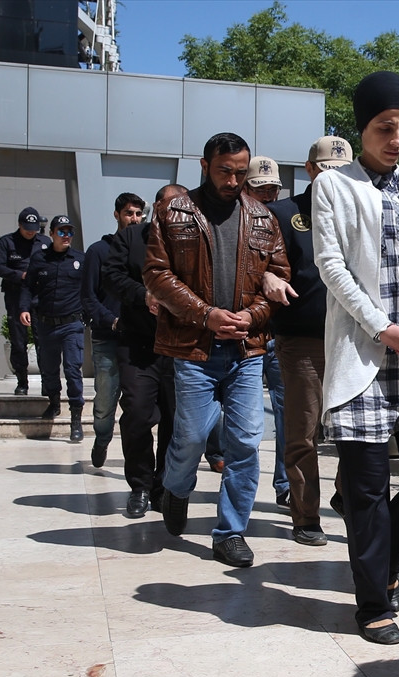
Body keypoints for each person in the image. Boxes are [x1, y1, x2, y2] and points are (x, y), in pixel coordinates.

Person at [312, 71, 399, 646]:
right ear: (361, 129)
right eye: (384, 128)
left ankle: (385, 557)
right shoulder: (334, 185)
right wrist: (382, 328)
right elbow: (331, 265)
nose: (396, 140)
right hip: (362, 354)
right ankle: (373, 602)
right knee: (366, 489)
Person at [144, 133, 290, 568]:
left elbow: (279, 276)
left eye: (240, 173)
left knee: (245, 441)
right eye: (225, 171)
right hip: (194, 347)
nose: (232, 180)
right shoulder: (174, 211)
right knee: (190, 437)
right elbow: (156, 274)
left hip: (246, 350)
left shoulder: (263, 217)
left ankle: (230, 532)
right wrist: (205, 315)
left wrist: (252, 316)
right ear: (204, 166)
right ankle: (176, 488)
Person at [263, 136, 354, 547]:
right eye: (326, 170)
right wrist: (267, 276)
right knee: (304, 433)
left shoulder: (361, 212)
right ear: (310, 169)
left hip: (353, 340)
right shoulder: (283, 214)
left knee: (357, 431)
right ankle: (305, 516)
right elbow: (255, 263)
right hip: (303, 339)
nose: (334, 179)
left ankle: (348, 497)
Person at [102, 185, 183, 519]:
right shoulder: (131, 237)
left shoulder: (193, 240)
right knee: (136, 413)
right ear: (156, 207)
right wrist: (143, 295)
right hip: (138, 343)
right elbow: (111, 276)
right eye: (168, 205)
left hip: (179, 346)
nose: (174, 211)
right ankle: (140, 486)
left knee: (175, 420)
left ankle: (162, 486)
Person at [82, 193, 145, 468]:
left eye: (139, 214)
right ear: (117, 215)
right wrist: (111, 320)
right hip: (107, 338)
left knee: (136, 403)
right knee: (105, 401)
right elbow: (88, 297)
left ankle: (135, 458)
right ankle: (102, 439)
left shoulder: (147, 249)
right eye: (129, 213)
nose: (134, 219)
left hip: (138, 340)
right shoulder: (98, 251)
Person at [245, 156, 291, 511]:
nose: (268, 196)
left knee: (288, 414)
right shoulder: (234, 224)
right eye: (261, 189)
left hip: (281, 337)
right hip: (243, 336)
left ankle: (285, 484)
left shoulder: (288, 223)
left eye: (273, 189)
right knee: (243, 423)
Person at [20, 214, 86, 440]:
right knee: (48, 369)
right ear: (51, 234)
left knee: (72, 370)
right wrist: (24, 308)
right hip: (46, 324)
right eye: (61, 231)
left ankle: (75, 418)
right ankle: (54, 402)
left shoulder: (80, 259)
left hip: (71, 325)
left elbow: (92, 288)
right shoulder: (40, 259)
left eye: (69, 232)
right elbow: (28, 287)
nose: (66, 236)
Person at [0, 207, 50, 395]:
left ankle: (47, 383)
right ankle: (22, 382)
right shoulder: (7, 242)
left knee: (43, 340)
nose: (30, 232)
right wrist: (21, 275)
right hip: (15, 296)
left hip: (39, 297)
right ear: (19, 225)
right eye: (27, 229)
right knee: (18, 341)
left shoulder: (45, 242)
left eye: (34, 229)